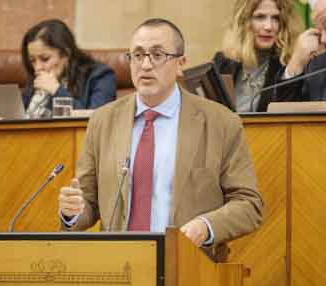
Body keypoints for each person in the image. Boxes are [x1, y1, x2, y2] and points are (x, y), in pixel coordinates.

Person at [58, 18, 263, 262]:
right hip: (120, 267)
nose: (145, 65)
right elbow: (88, 203)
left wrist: (206, 226)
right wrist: (73, 212)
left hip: (190, 265)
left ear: (180, 63)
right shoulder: (103, 121)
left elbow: (248, 204)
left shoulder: (220, 122)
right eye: (137, 55)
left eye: (157, 55)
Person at [213, 0, 302, 112]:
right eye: (260, 17)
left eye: (275, 18)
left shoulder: (288, 67)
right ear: (243, 21)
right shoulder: (223, 61)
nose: (268, 27)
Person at [21, 19, 117, 118]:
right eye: (32, 60)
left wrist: (56, 90)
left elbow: (97, 120)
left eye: (45, 59)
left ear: (66, 54)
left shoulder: (100, 76)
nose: (37, 68)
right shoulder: (35, 81)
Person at [274, 0, 326, 101]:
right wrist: (296, 63)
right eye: (320, 30)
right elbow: (283, 112)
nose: (323, 39)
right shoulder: (316, 67)